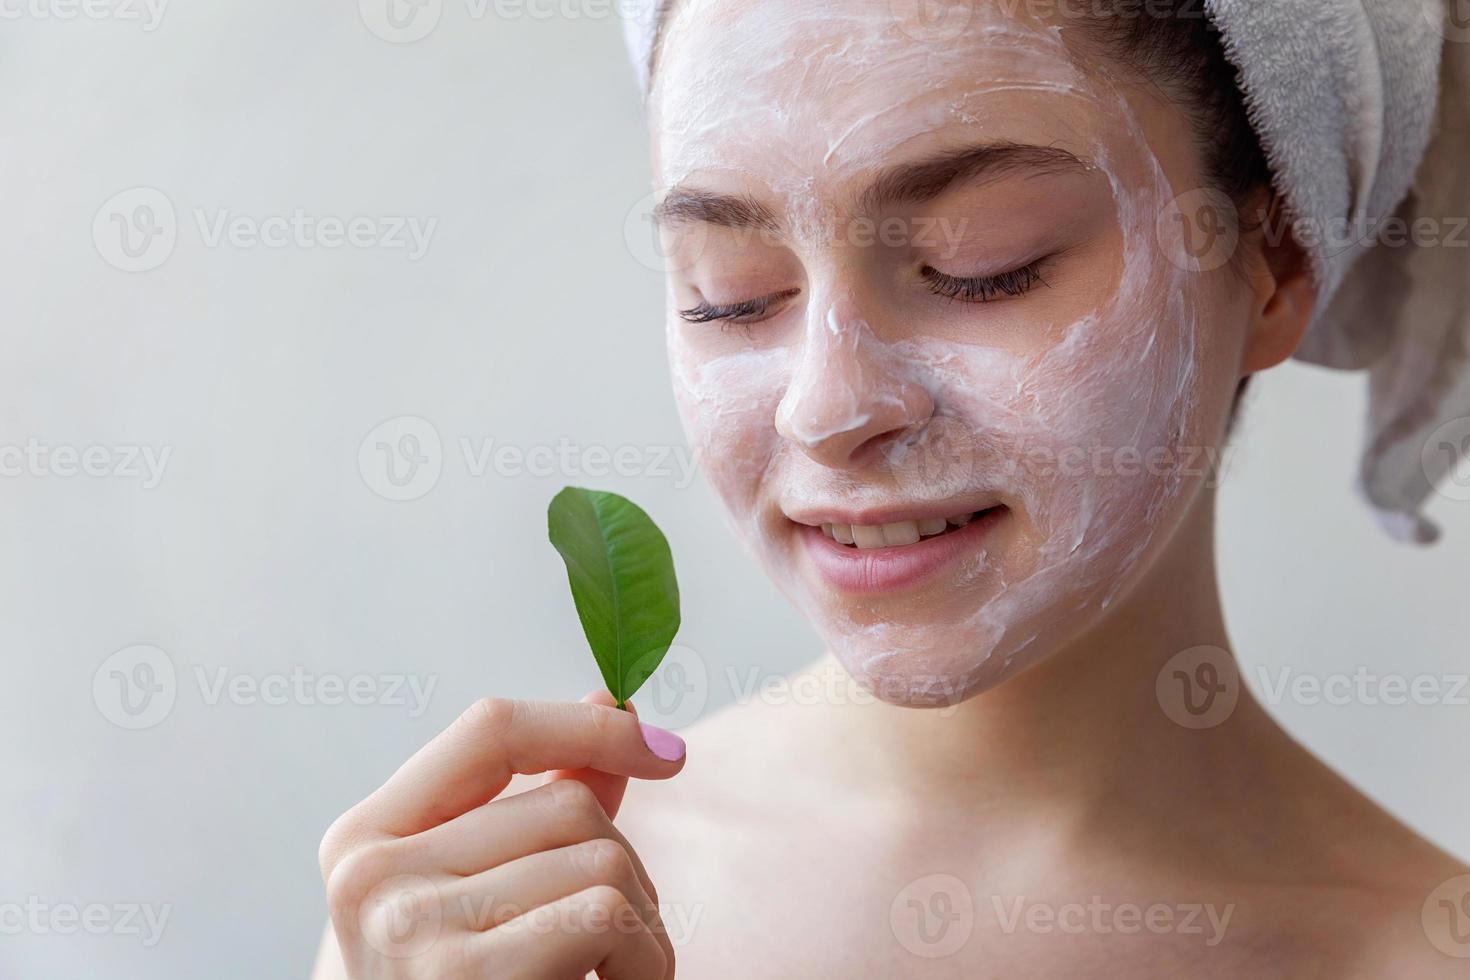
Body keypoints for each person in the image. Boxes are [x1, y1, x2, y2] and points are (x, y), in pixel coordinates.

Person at [313, 1, 1470, 975]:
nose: (825, 408)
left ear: (1274, 266)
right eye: (733, 289)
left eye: (981, 262)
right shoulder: (498, 919)